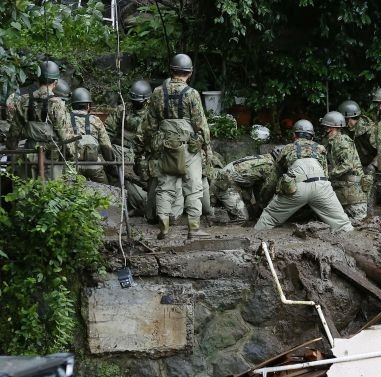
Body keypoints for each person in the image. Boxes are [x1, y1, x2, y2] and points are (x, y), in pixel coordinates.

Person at [135, 53, 211, 239]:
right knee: (193, 186)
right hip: (188, 149)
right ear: (190, 73)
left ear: (171, 70)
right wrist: (207, 147)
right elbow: (201, 124)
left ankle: (164, 228)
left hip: (165, 147)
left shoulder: (158, 92)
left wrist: (144, 148)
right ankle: (193, 229)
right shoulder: (192, 94)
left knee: (165, 186)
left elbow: (149, 125)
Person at [253, 120, 353, 232]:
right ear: (312, 137)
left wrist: (263, 200)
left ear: (294, 135)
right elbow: (325, 174)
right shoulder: (320, 148)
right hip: (321, 186)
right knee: (343, 224)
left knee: (269, 218)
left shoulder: (287, 148)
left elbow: (273, 179)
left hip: (296, 188)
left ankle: (256, 238)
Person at [6, 61, 76, 179]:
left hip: (28, 154)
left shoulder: (23, 100)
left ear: (38, 81)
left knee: (28, 190)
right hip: (51, 157)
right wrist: (72, 156)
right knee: (52, 192)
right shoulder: (57, 104)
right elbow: (65, 136)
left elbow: (14, 132)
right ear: (56, 82)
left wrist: (11, 150)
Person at [106, 80, 153, 215]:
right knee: (116, 176)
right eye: (134, 100)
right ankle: (120, 204)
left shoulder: (152, 113)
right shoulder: (122, 110)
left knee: (145, 199)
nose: (136, 103)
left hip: (143, 157)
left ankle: (137, 204)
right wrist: (107, 150)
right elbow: (108, 131)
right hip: (122, 152)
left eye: (139, 101)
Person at [321, 111, 368, 223]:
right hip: (343, 188)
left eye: (325, 127)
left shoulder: (342, 141)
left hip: (353, 192)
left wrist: (329, 174)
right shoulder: (332, 142)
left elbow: (347, 164)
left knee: (358, 222)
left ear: (330, 128)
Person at [212, 153, 277, 222]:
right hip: (224, 183)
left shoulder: (265, 158)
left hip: (234, 181)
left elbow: (259, 187)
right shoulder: (271, 167)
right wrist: (261, 206)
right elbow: (267, 191)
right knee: (242, 218)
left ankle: (231, 210)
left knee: (251, 214)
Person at [69, 87, 115, 184]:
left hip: (72, 165)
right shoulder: (96, 121)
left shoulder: (65, 118)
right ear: (88, 106)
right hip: (93, 165)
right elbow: (106, 146)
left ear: (72, 105)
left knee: (68, 189)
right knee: (106, 191)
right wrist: (111, 163)